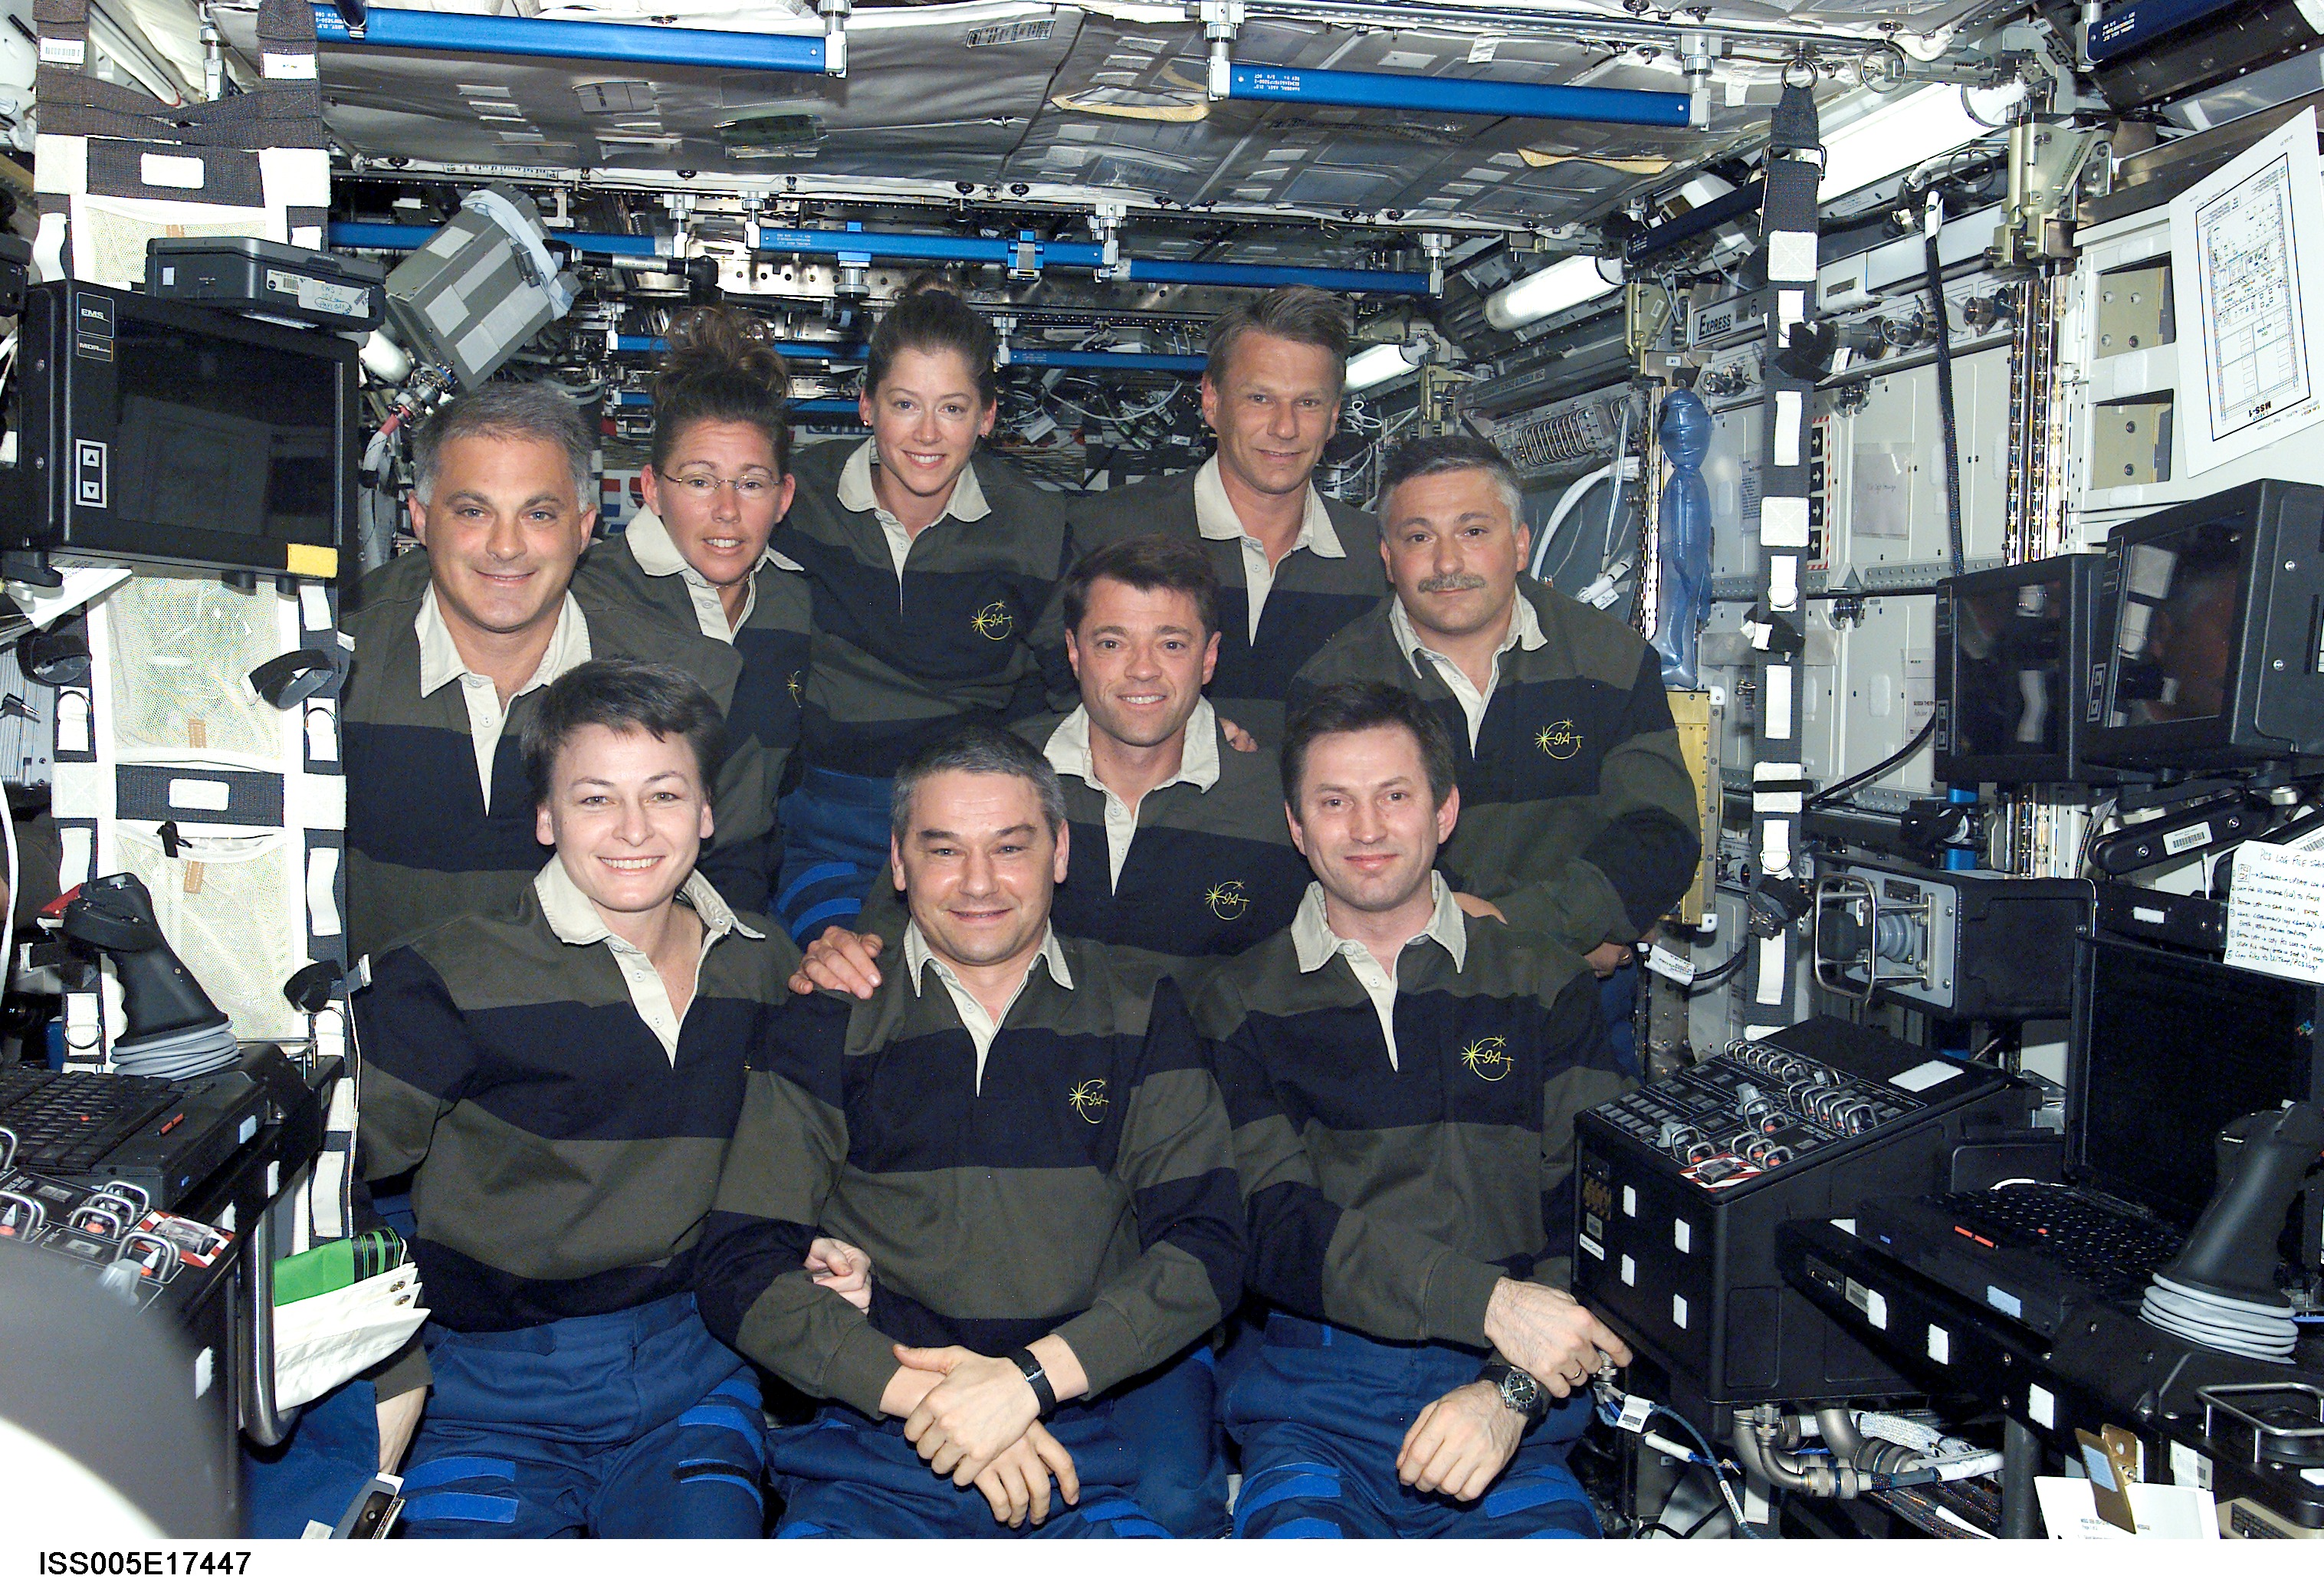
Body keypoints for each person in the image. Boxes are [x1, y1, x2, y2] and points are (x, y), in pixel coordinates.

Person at [783, 534, 1310, 1535]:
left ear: (1210, 656)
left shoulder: (1269, 798)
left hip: (1167, 1193)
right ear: (1071, 652)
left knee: (1169, 1498)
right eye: (1113, 642)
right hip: (979, 1196)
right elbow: (894, 936)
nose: (1141, 670)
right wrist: (832, 954)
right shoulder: (1000, 775)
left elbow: (1359, 886)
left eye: (1170, 643)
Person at [693, 726, 1246, 1538]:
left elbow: (1206, 1247)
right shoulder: (829, 1015)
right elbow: (739, 1265)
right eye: (943, 849)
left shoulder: (1138, 1008)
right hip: (879, 1429)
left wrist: (1022, 1386)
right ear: (896, 860)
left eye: (1009, 847)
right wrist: (938, 1398)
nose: (978, 882)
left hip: (1096, 1415)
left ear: (1059, 852)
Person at [350, 661, 827, 1538]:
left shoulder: (762, 964)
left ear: (708, 812)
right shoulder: (445, 977)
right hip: (492, 1388)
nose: (634, 830)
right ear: (545, 817)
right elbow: (326, 1184)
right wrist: (383, 1371)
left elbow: (809, 1147)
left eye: (665, 795)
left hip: (696, 1370)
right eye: (595, 799)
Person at [1200, 681, 1636, 1538]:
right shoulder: (1233, 1004)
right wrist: (1485, 1301)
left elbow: (1594, 1218)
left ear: (1444, 811)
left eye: (1394, 796)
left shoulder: (1539, 979)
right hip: (1312, 1416)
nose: (1365, 830)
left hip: (1516, 1420)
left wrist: (1506, 1394)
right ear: (1295, 825)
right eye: (1333, 802)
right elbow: (1273, 1228)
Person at [1289, 433, 1699, 1064]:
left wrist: (1527, 930)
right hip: (1393, 1006)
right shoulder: (1333, 682)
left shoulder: (1607, 660)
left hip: (1574, 1004)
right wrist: (1536, 942)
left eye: (1474, 531)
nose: (1448, 563)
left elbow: (1659, 834)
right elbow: (1323, 854)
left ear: (1521, 544)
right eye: (1419, 537)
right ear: (1387, 556)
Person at [341, 383, 776, 963]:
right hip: (380, 1041)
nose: (505, 547)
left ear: (583, 527)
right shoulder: (329, 663)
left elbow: (734, 896)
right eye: (473, 511)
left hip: (606, 1040)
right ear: (419, 519)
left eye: (539, 514)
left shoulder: (692, 684)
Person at [770, 291, 1072, 944]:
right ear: (866, 405)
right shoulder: (794, 499)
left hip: (972, 833)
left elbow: (1080, 688)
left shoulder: (1037, 528)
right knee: (843, 994)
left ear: (988, 417)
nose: (927, 435)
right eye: (905, 404)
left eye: (953, 409)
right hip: (830, 824)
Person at [1068, 286, 1385, 747]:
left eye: (1309, 403)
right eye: (1260, 398)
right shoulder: (1105, 533)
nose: (1285, 427)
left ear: (1335, 416)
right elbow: (1044, 696)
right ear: (1212, 402)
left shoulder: (1377, 560)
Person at [575, 304, 811, 871]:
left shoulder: (793, 602)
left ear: (783, 497)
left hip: (746, 895)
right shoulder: (587, 599)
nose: (727, 511)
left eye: (751, 484)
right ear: (652, 490)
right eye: (700, 481)